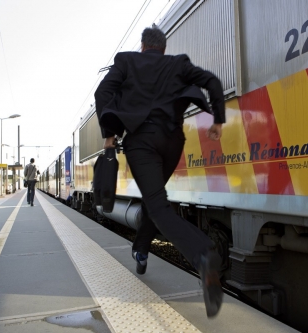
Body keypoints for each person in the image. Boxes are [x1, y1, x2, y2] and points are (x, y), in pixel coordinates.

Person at [95, 26, 226, 317]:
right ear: (163, 48)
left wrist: (110, 133)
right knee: (155, 202)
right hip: (173, 142)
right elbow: (212, 81)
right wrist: (218, 118)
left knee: (157, 203)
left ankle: (203, 253)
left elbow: (102, 91)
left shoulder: (127, 61)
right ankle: (141, 250)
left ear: (143, 46)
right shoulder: (178, 63)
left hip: (142, 143)